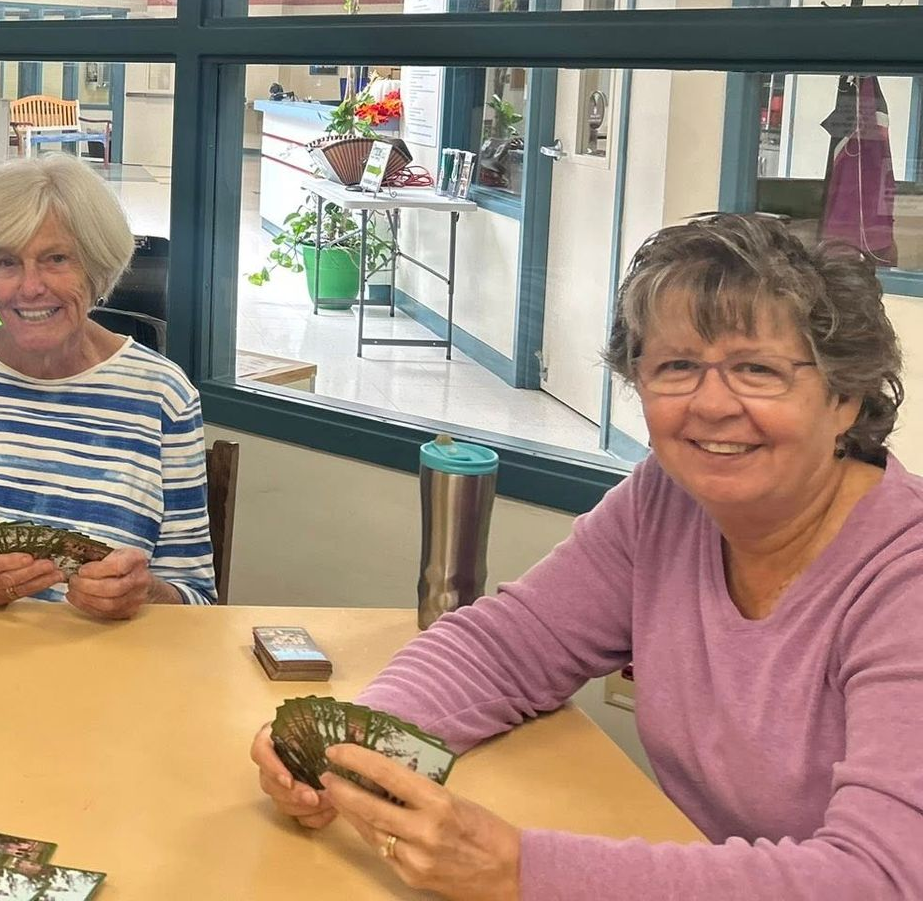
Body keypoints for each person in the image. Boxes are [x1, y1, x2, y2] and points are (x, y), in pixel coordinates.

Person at [250, 212, 923, 899]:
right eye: (677, 366)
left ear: (846, 396)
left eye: (758, 370)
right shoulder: (665, 502)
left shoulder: (906, 579)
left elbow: (882, 880)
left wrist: (520, 870)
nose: (711, 403)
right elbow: (507, 647)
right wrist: (357, 751)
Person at [0, 155, 216, 615]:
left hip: (109, 668)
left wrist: (145, 593)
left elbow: (197, 598)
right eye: (6, 262)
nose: (30, 287)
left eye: (56, 259)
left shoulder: (163, 395)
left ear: (96, 268)